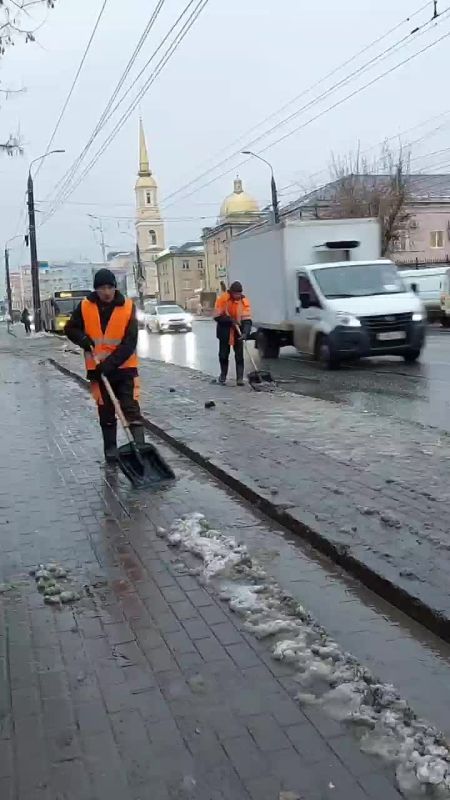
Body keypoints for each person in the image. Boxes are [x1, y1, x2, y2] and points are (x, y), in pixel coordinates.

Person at [64, 268, 145, 463]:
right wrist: (82, 338)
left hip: (125, 369)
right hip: (98, 372)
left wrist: (109, 365)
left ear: (115, 287)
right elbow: (70, 328)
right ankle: (110, 450)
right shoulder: (85, 306)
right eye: (102, 288)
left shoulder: (127, 306)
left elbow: (130, 342)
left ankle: (141, 451)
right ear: (96, 289)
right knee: (106, 410)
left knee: (130, 409)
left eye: (110, 287)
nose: (106, 292)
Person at [214, 280, 252, 386]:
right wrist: (229, 320)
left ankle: (239, 378)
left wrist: (245, 333)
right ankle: (223, 375)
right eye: (236, 294)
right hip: (224, 332)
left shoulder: (244, 302)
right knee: (223, 355)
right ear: (231, 292)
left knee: (239, 356)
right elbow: (217, 316)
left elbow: (247, 320)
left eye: (239, 294)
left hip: (238, 332)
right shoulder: (223, 300)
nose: (238, 296)